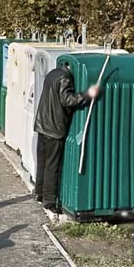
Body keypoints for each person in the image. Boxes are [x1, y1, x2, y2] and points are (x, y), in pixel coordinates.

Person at [33, 62, 100, 213]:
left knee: (42, 162)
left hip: (42, 124)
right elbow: (67, 100)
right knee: (52, 166)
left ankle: (39, 192)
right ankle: (49, 201)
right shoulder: (65, 78)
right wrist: (87, 94)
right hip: (54, 129)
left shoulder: (53, 73)